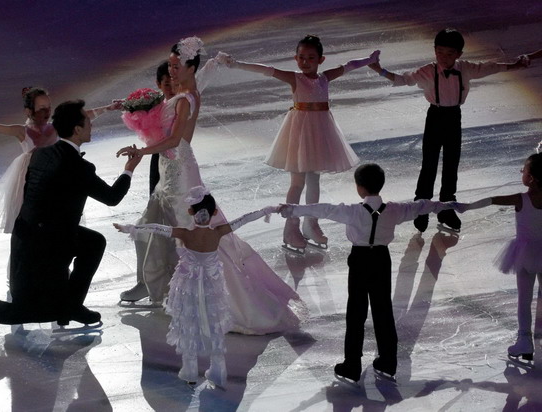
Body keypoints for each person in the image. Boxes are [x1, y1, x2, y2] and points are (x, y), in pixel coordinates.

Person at [117, 36, 305, 335]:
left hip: (180, 171)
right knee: (159, 228)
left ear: (190, 67)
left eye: (176, 66)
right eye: (170, 64)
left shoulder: (186, 97)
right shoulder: (183, 89)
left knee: (192, 237)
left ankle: (222, 304)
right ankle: (160, 288)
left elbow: (176, 139)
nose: (172, 70)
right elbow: (193, 88)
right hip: (168, 170)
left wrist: (141, 151)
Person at [0, 99, 141, 340]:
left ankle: (73, 306)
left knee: (94, 242)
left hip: (33, 236)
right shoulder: (78, 167)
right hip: (44, 248)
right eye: (87, 122)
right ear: (77, 130)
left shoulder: (42, 153)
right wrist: (130, 167)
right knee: (45, 312)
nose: (91, 125)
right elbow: (112, 197)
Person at [280, 163, 460, 382]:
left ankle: (352, 365)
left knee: (356, 313)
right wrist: (444, 205)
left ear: (359, 188)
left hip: (360, 261)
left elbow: (323, 209)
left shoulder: (353, 211)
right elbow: (420, 207)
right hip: (381, 260)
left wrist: (293, 209)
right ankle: (388, 362)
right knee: (383, 310)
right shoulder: (394, 210)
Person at [225, 35, 379, 252]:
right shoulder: (295, 78)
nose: (305, 62)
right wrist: (237, 64)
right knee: (297, 183)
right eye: (301, 57)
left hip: (320, 132)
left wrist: (370, 59)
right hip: (299, 133)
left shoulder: (325, 78)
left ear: (321, 59)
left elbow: (349, 65)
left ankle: (310, 223)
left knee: (314, 180)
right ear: (295, 58)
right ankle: (291, 228)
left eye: (311, 58)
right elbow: (267, 70)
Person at [368, 28, 528, 233]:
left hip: (454, 118)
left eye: (449, 54)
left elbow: (491, 67)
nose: (443, 58)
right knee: (429, 164)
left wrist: (517, 64)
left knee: (451, 164)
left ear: (459, 54)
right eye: (439, 52)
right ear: (435, 51)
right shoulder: (427, 71)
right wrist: (379, 70)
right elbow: (403, 79)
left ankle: (446, 208)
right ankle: (421, 208)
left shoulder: (466, 68)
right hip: (434, 117)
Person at [115, 186, 278, 386]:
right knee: (213, 321)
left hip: (188, 283)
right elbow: (244, 219)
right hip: (211, 283)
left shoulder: (185, 234)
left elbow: (157, 228)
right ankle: (218, 369)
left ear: (191, 212)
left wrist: (131, 228)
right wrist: (267, 210)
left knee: (188, 320)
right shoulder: (218, 232)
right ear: (215, 212)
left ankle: (190, 370)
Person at [0, 87, 121, 233]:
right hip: (29, 177)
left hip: (54, 176)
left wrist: (108, 108)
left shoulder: (54, 127)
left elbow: (83, 116)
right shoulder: (22, 131)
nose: (47, 111)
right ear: (29, 111)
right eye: (41, 108)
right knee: (29, 221)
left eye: (48, 107)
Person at [457, 153, 542, 361]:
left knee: (524, 298)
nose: (521, 173)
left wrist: (467, 206)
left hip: (524, 253)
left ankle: (525, 339)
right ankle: (539, 336)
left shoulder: (520, 199)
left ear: (530, 178)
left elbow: (492, 200)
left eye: (524, 170)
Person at [149, 62, 176, 196]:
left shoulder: (182, 102)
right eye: (167, 84)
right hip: (157, 155)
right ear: (158, 84)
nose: (171, 89)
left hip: (177, 156)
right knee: (156, 198)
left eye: (174, 84)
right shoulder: (156, 103)